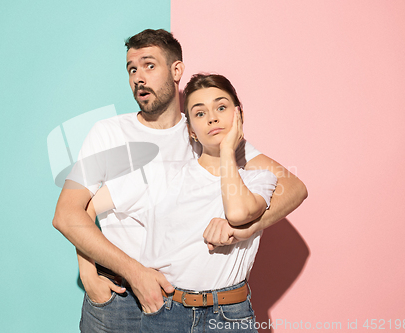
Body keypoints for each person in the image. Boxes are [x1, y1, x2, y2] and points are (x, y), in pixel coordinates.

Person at [52, 29, 307, 332]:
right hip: (118, 297)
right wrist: (96, 272)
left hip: (179, 301)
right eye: (131, 69)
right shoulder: (109, 133)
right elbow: (69, 214)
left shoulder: (204, 129)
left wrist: (243, 228)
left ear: (176, 70)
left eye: (149, 65)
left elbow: (292, 186)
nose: (138, 77)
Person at [88, 73, 277, 332]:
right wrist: (88, 273)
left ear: (238, 114)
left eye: (221, 107)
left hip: (230, 316)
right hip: (166, 312)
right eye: (200, 114)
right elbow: (87, 208)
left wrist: (226, 151)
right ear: (190, 130)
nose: (212, 117)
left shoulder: (259, 180)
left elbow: (237, 212)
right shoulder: (161, 173)